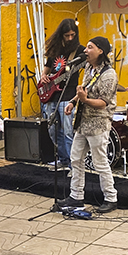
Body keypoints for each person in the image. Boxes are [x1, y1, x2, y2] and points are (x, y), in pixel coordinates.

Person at [56, 36, 118, 213]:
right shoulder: (89, 68)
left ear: (100, 51)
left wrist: (85, 100)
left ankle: (111, 198)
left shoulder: (109, 74)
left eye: (90, 47)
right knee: (75, 159)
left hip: (98, 124)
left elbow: (104, 102)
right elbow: (84, 90)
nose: (85, 50)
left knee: (100, 162)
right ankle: (76, 196)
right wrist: (73, 101)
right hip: (83, 122)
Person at [39, 18, 83, 167]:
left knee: (67, 131)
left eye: (72, 35)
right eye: (67, 36)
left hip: (68, 95)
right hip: (52, 95)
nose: (70, 38)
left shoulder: (80, 51)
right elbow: (48, 67)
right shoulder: (55, 49)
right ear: (61, 35)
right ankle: (63, 158)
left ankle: (73, 164)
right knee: (52, 129)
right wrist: (44, 76)